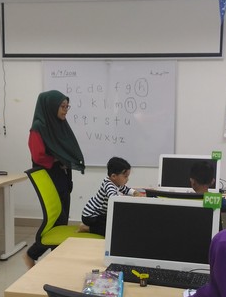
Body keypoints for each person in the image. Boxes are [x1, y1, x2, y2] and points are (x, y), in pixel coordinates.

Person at [25, 90, 85, 268]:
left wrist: (67, 159)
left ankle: (54, 259)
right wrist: (60, 159)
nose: (65, 110)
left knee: (62, 221)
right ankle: (33, 254)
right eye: (62, 106)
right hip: (50, 178)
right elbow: (38, 156)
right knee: (57, 221)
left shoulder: (60, 124)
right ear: (51, 107)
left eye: (67, 106)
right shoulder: (39, 127)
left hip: (62, 177)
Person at [80, 157, 144, 236]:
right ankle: (86, 228)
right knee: (111, 230)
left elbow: (126, 189)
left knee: (116, 223)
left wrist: (135, 193)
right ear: (114, 176)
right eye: (125, 176)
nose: (127, 179)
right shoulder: (109, 185)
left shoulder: (116, 183)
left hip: (100, 213)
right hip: (91, 216)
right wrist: (130, 199)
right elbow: (114, 199)